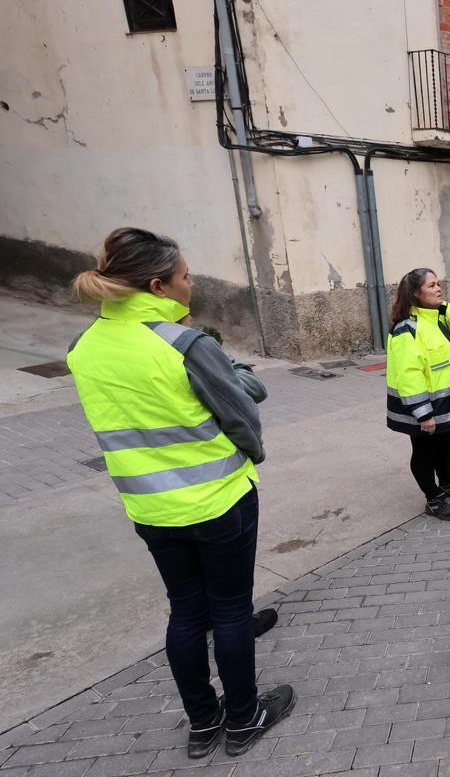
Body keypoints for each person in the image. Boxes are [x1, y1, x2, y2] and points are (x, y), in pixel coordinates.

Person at [66, 228, 293, 759]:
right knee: (232, 611)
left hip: (148, 505)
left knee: (187, 612)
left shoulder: (85, 347)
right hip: (218, 500)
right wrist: (252, 452)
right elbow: (242, 411)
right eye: (186, 276)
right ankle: (243, 718)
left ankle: (202, 723)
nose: (192, 283)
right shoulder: (184, 344)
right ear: (158, 285)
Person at [386, 268, 450, 521]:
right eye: (432, 286)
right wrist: (423, 414)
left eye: (438, 284)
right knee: (425, 450)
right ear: (416, 294)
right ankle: (433, 498)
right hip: (424, 408)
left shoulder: (439, 319)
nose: (439, 289)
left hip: (445, 402)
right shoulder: (407, 330)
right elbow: (409, 375)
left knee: (447, 442)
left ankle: (446, 483)